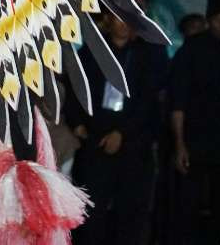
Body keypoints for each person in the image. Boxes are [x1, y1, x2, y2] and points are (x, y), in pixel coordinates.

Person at [65, 13, 169, 245]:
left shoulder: (147, 55)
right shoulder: (91, 53)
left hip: (134, 144)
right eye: (117, 18)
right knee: (92, 212)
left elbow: (149, 102)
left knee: (131, 214)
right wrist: (77, 123)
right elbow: (73, 89)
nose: (123, 23)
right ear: (109, 21)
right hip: (96, 141)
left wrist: (123, 132)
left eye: (127, 18)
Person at [168, 0, 220, 245]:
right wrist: (180, 145)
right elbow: (178, 103)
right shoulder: (191, 51)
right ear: (210, 21)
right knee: (187, 205)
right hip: (195, 141)